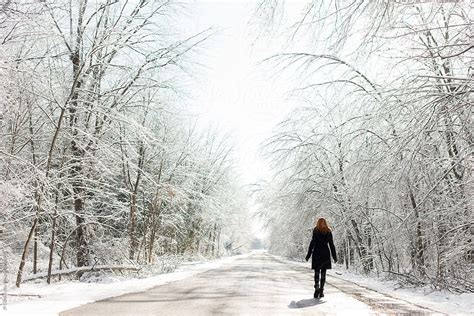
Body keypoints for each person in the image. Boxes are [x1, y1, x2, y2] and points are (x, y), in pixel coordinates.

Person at [305, 218, 337, 299]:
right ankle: (321, 290)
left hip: (317, 253)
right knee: (323, 273)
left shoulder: (316, 230)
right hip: (325, 254)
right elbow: (331, 244)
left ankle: (317, 289)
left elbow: (312, 243)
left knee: (316, 273)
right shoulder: (328, 231)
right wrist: (334, 256)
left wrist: (308, 255)